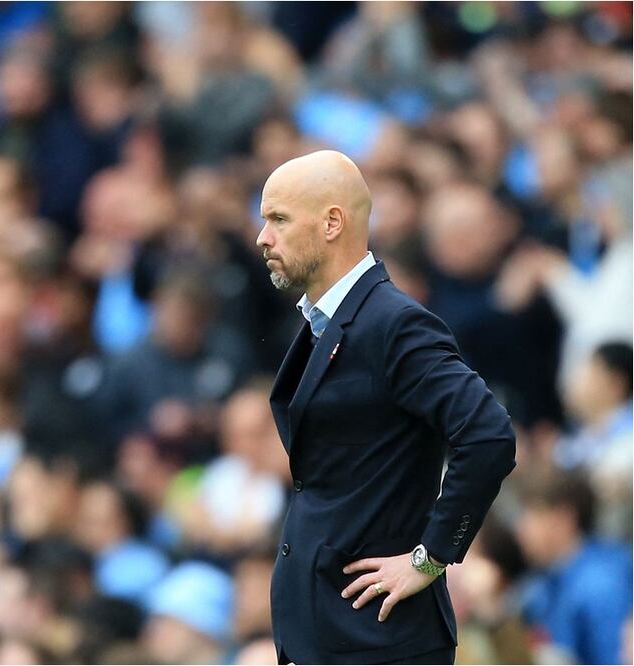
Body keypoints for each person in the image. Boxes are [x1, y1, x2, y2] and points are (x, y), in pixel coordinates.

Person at [256, 150, 516, 664]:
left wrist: (430, 558)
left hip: (378, 640)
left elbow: (488, 434)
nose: (263, 237)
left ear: (332, 223)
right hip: (330, 634)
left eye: (278, 219)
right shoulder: (322, 323)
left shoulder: (395, 323)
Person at [515, 472, 633, 665]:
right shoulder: (542, 581)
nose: (521, 530)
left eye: (532, 515)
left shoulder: (601, 586)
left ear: (563, 519)